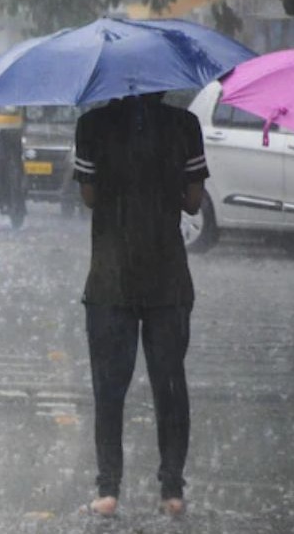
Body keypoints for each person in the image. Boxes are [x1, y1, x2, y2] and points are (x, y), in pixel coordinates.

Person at [73, 92, 208, 518]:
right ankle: (172, 491)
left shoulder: (92, 125)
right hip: (167, 276)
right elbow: (192, 202)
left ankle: (108, 490)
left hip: (112, 277)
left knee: (109, 389)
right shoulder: (184, 126)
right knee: (169, 386)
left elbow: (90, 197)